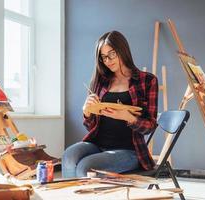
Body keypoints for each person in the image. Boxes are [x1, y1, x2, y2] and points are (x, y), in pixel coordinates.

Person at [62, 31, 159, 178]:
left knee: (85, 166)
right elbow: (90, 126)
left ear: (122, 50)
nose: (107, 60)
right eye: (103, 57)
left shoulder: (147, 81)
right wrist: (87, 112)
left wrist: (128, 117)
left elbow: (150, 127)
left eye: (111, 54)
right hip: (97, 145)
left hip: (129, 151)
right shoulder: (101, 81)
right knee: (69, 156)